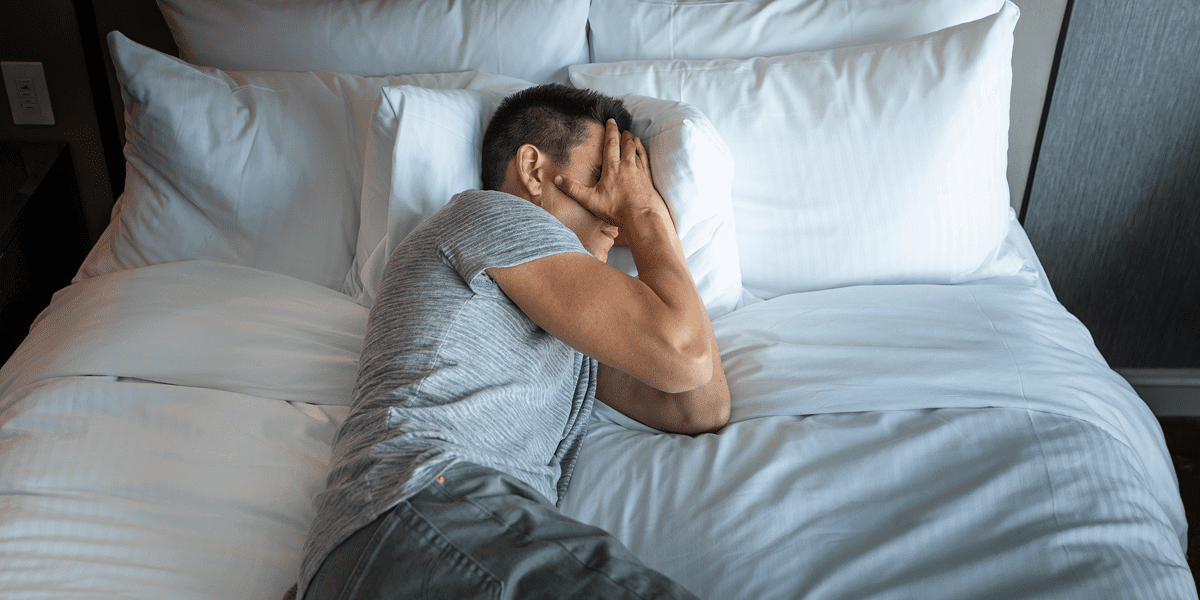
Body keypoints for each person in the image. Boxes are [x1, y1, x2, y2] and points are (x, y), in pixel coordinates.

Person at [294, 83, 730, 600]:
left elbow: (699, 405)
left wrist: (645, 219)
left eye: (625, 188)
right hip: (421, 505)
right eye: (601, 176)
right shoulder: (488, 215)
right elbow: (685, 355)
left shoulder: (569, 323)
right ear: (533, 170)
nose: (614, 209)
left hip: (392, 543)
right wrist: (645, 215)